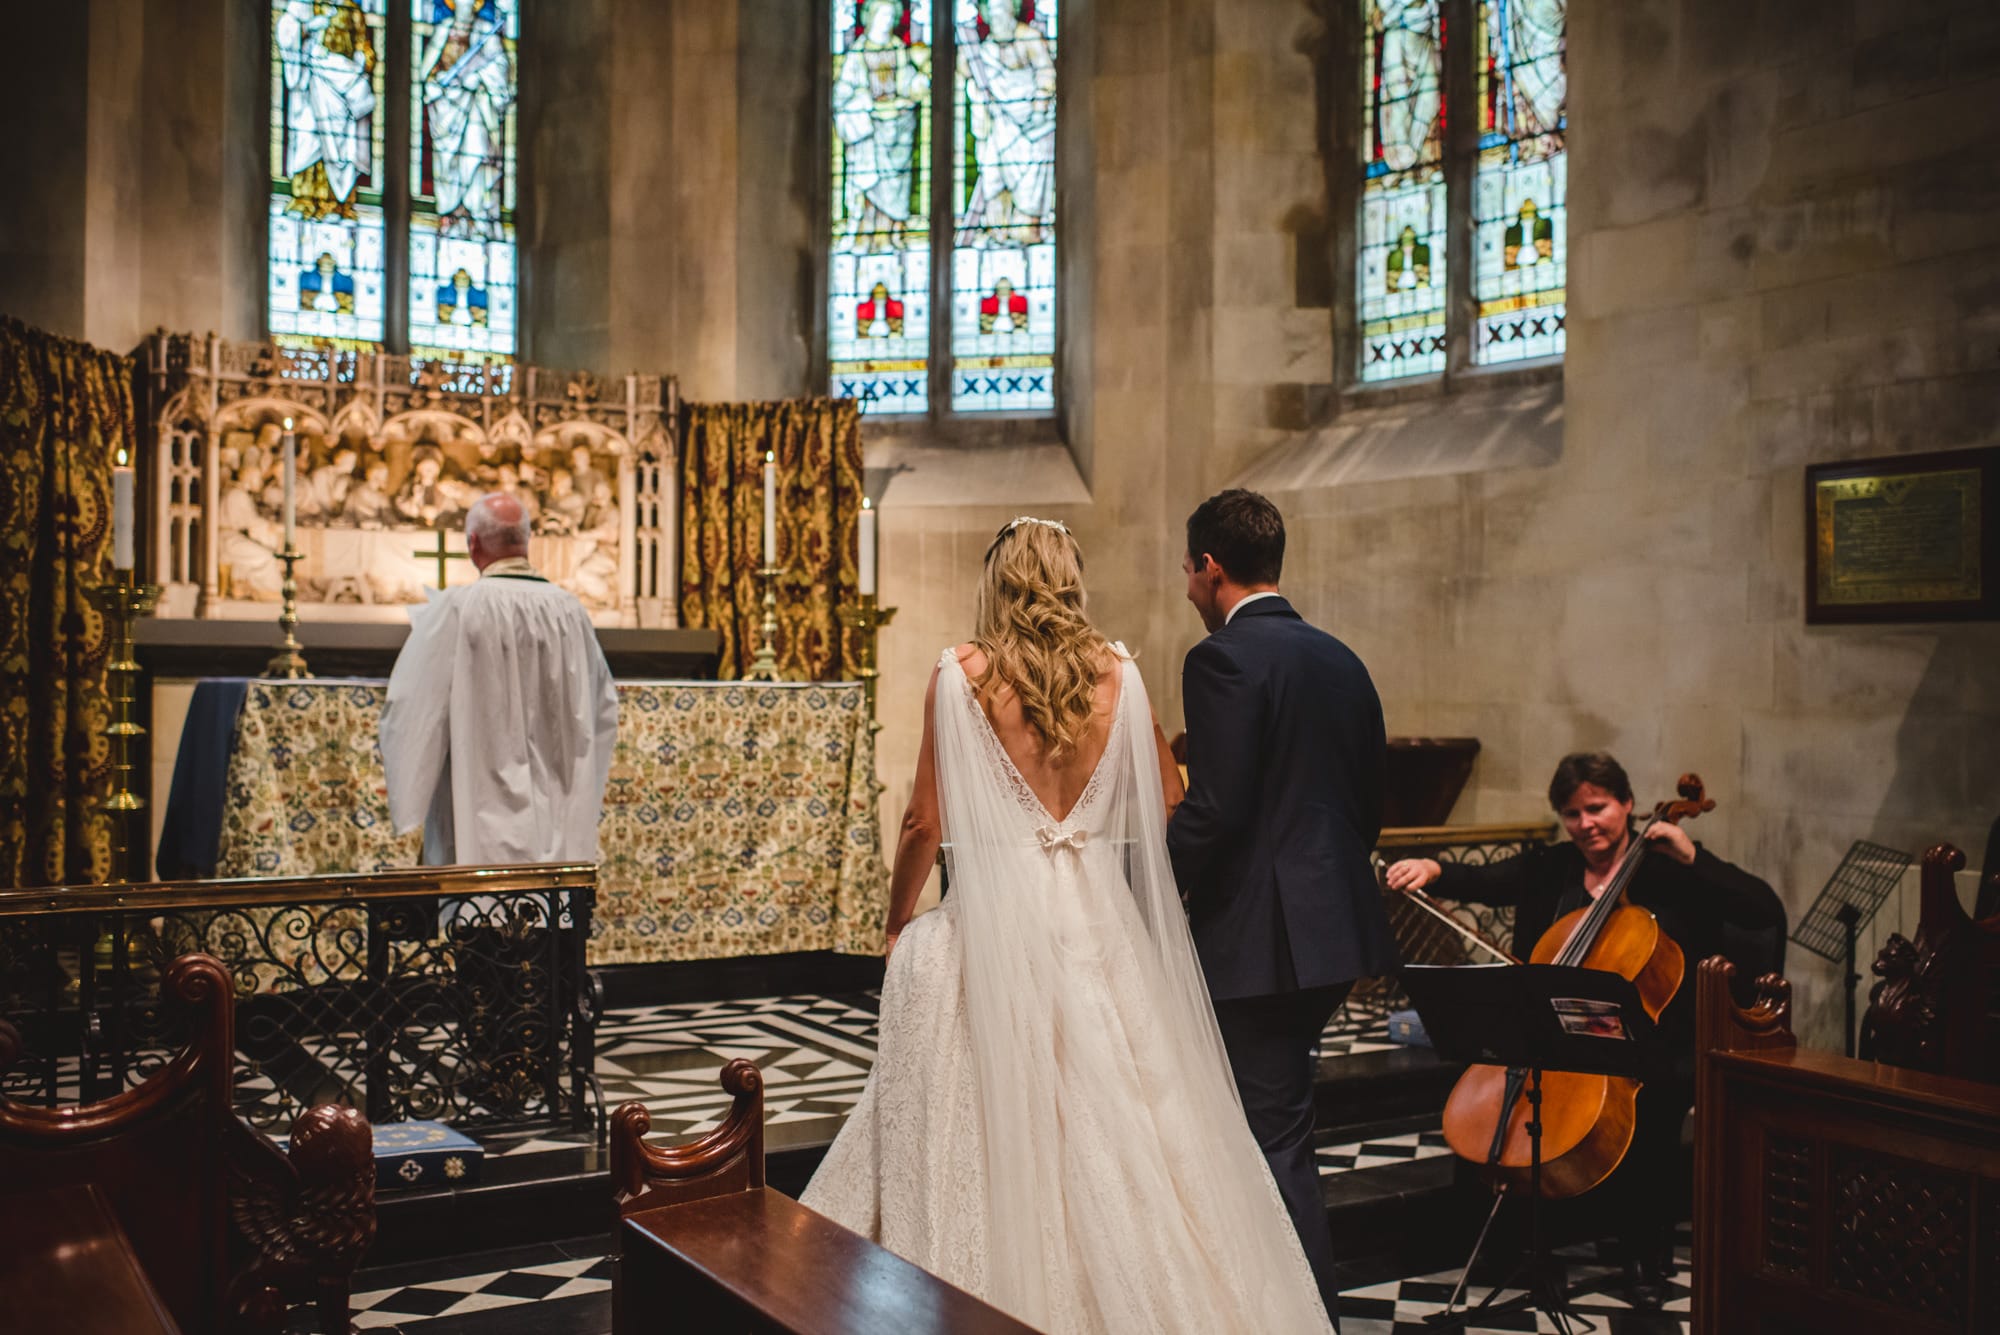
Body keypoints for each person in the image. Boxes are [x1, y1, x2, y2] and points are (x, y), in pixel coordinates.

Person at [802, 518, 1336, 1335]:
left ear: (998, 581)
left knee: (981, 1111)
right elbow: (1165, 802)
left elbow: (921, 821)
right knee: (1124, 1118)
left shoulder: (960, 673)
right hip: (1096, 920)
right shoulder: (1119, 674)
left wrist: (896, 919)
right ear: (1071, 580)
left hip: (989, 918)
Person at [1384, 750, 1785, 1308]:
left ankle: (1643, 1252)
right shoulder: (1553, 867)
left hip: (1645, 1044)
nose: (1585, 824)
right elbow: (1488, 879)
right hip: (1559, 1038)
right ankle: (1527, 1249)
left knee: (1654, 1109)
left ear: (1626, 804)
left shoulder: (1670, 873)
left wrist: (1694, 855)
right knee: (1520, 1109)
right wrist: (1436, 870)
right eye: (1572, 814)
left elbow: (1762, 908)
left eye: (1597, 808)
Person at [1166, 488, 1401, 1323]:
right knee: (1273, 1126)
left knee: (1272, 1142)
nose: (1187, 589)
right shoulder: (1341, 657)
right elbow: (1368, 804)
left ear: (1212, 567)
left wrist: (1145, 874)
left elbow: (1216, 807)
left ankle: (1304, 1316)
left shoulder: (1223, 659)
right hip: (1332, 936)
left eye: (1188, 571)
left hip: (1260, 944)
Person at [380, 491, 617, 868]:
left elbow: (413, 707)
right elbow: (603, 709)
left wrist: (409, 802)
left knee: (488, 909)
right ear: (526, 541)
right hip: (559, 810)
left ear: (473, 544)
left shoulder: (460, 609)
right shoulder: (572, 612)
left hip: (483, 806)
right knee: (550, 915)